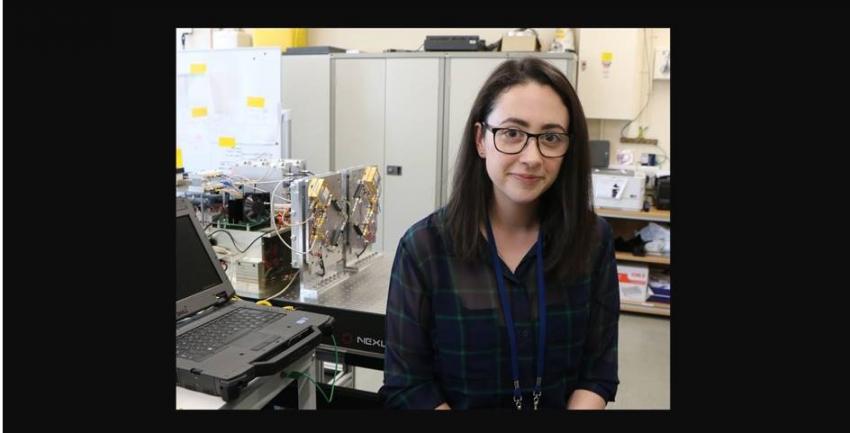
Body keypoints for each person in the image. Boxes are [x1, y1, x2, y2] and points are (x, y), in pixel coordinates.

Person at [379, 57, 619, 410]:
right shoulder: (424, 248)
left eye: (551, 137)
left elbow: (597, 371)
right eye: (512, 133)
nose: (532, 156)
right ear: (481, 139)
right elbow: (408, 385)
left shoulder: (593, 240)